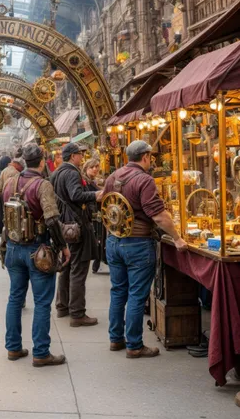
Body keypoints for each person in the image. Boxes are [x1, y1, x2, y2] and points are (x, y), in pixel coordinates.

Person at [103, 140, 188, 358]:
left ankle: (115, 339)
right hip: (137, 243)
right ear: (146, 157)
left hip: (114, 241)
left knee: (118, 292)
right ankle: (134, 345)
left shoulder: (113, 176)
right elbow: (158, 215)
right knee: (136, 296)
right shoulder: (144, 180)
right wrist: (177, 238)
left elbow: (105, 202)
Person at [2, 143, 70, 367]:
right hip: (37, 250)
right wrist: (62, 246)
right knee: (42, 302)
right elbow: (51, 218)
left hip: (13, 247)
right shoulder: (42, 184)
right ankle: (41, 352)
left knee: (15, 298)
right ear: (42, 162)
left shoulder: (10, 181)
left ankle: (13, 348)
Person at [51, 143, 102, 327]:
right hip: (76, 226)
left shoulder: (57, 172)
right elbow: (75, 194)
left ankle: (62, 306)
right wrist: (95, 195)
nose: (82, 157)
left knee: (66, 266)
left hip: (63, 225)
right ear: (73, 156)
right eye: (80, 154)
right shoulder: (72, 172)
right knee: (78, 269)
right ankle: (77, 313)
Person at [81, 158, 105, 274]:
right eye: (92, 167)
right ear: (86, 169)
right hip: (93, 215)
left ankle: (96, 262)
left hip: (96, 214)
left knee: (98, 238)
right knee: (98, 238)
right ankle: (96, 261)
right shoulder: (85, 182)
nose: (95, 169)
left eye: (97, 166)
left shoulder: (93, 181)